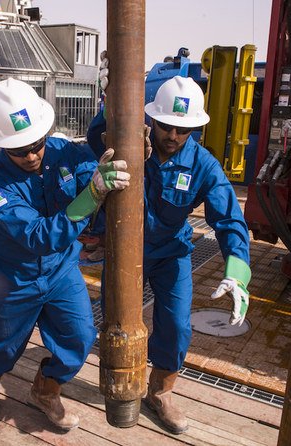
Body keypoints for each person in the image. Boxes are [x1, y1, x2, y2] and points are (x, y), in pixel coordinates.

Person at [88, 69, 251, 434]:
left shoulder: (203, 165)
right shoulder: (133, 144)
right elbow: (93, 140)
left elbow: (229, 217)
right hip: (124, 249)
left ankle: (160, 391)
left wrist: (238, 271)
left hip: (171, 252)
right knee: (113, 316)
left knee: (176, 326)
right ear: (152, 118)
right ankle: (117, 378)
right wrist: (109, 102)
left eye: (182, 129)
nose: (173, 136)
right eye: (165, 126)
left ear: (195, 129)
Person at [0, 78, 130, 431]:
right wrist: (92, 194)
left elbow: (95, 172)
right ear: (0, 144)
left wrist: (128, 158)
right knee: (1, 344)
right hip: (14, 277)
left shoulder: (64, 152)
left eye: (36, 144)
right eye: (19, 150)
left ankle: (45, 390)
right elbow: (39, 236)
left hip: (61, 271)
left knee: (80, 337)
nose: (31, 155)